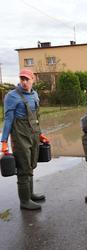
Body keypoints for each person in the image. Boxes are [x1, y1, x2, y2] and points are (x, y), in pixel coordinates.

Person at [1, 69, 50, 210]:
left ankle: (30, 194)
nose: (24, 82)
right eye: (22, 79)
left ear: (32, 80)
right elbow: (8, 120)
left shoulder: (34, 94)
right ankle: (24, 201)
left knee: (31, 164)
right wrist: (4, 142)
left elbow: (36, 117)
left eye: (27, 79)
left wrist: (40, 134)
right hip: (20, 135)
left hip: (33, 134)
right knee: (23, 167)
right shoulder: (11, 96)